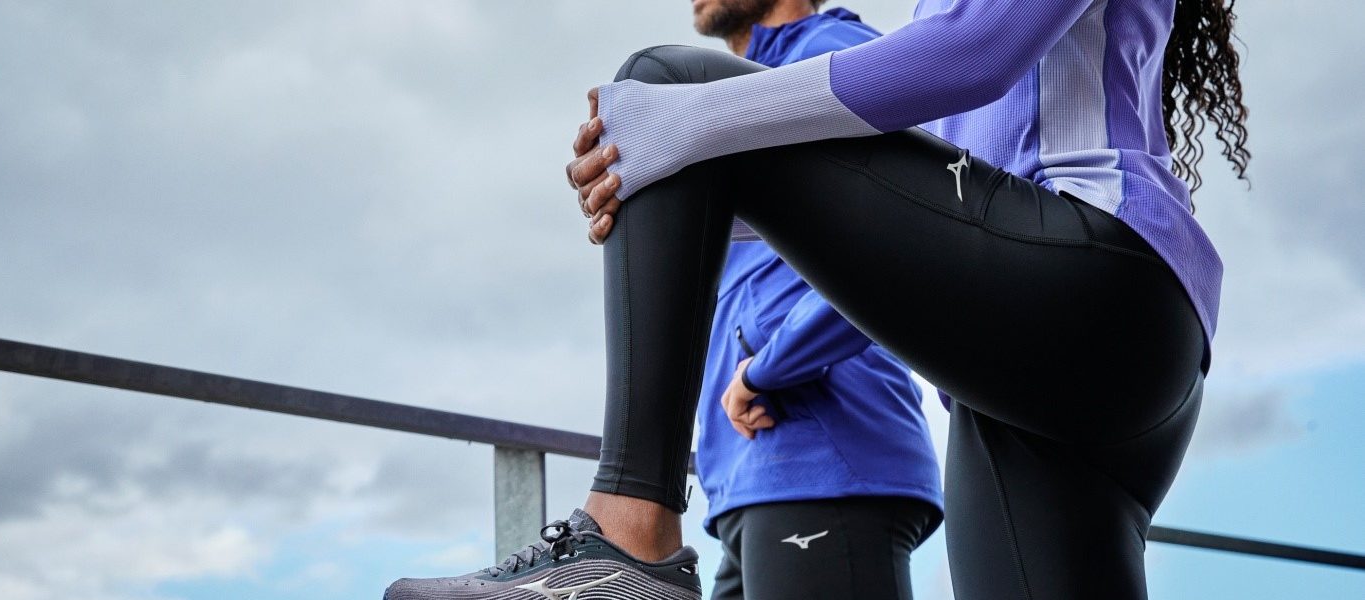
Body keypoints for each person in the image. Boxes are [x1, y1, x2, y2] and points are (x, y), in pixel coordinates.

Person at [387, 0, 1249, 598]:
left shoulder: (869, 35)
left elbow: (969, 53)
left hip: (1096, 283)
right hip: (1050, 379)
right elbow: (919, 229)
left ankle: (625, 539)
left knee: (668, 82)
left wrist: (691, 125)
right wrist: (692, 196)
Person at [688, 2, 942, 600]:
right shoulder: (736, 100)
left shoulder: (833, 55)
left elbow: (905, 236)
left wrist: (769, 367)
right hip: (749, 477)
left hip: (823, 453)